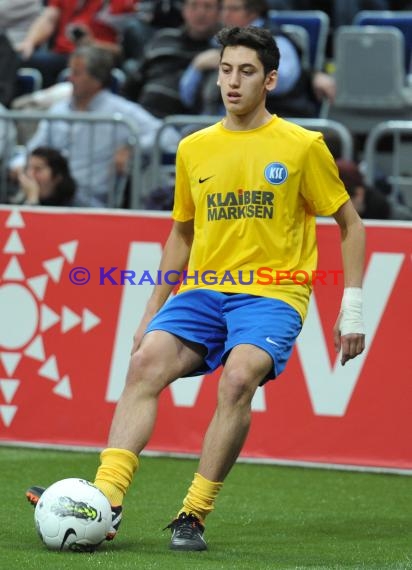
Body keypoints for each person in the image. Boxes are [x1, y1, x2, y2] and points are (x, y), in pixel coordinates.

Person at [26, 26, 366, 551]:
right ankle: (107, 501)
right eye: (226, 69)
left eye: (246, 71)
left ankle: (193, 514)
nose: (232, 82)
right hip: (205, 291)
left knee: (237, 378)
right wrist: (151, 309)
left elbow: (352, 225)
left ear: (270, 79)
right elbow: (182, 233)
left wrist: (353, 307)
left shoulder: (303, 147)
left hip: (273, 295)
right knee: (144, 363)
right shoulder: (194, 148)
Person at [9, 45, 178, 208]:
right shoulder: (59, 110)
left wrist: (132, 146)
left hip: (94, 201)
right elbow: (36, 147)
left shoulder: (121, 112)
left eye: (77, 73)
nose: (70, 79)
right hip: (55, 195)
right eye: (70, 72)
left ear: (97, 79)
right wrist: (19, 164)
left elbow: (168, 136)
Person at [179, 0, 335, 117]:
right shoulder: (219, 42)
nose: (225, 14)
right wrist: (196, 67)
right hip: (219, 123)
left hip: (271, 124)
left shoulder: (276, 41)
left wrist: (236, 66)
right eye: (223, 8)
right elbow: (186, 97)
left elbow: (280, 83)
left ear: (253, 12)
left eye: (233, 9)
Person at [122, 0, 221, 118]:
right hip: (142, 116)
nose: (200, 13)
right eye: (194, 5)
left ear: (220, 12)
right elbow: (133, 84)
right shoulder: (164, 38)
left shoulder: (220, 50)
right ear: (184, 10)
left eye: (208, 7)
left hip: (183, 125)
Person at [16, 0, 136, 88]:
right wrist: (29, 42)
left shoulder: (122, 3)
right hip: (63, 54)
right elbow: (48, 18)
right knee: (19, 59)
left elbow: (122, 51)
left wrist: (91, 43)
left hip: (98, 57)